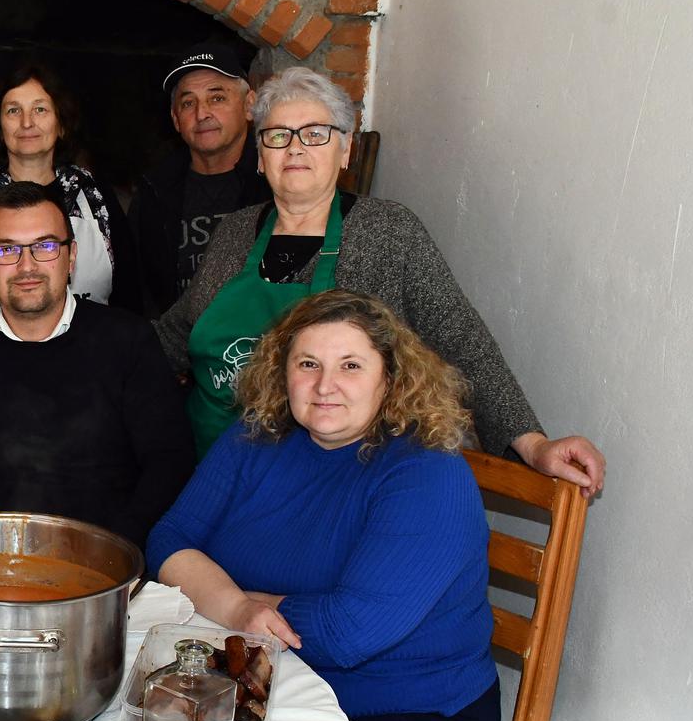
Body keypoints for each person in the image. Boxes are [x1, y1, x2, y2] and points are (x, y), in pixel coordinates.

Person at [156, 66, 606, 494]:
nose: (295, 148)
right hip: (212, 465)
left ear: (345, 149)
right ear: (261, 155)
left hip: (332, 480)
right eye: (277, 136)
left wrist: (531, 442)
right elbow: (180, 330)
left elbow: (461, 340)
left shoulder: (386, 231)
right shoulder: (235, 232)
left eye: (315, 134)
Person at [146, 290, 498, 721]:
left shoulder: (428, 474)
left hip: (402, 713)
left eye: (350, 366)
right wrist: (240, 610)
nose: (325, 385)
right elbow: (169, 540)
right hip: (266, 684)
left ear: (392, 377)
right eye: (307, 363)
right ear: (280, 371)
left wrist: (234, 598)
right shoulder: (256, 437)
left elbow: (346, 633)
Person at [0, 182, 193, 546]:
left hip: (106, 566)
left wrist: (114, 552)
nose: (27, 265)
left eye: (45, 246)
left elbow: (170, 462)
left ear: (72, 256)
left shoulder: (127, 340)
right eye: (6, 250)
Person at [0, 62, 139, 325]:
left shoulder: (93, 193)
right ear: (0, 128)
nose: (27, 123)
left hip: (90, 355)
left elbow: (129, 293)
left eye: (40, 109)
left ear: (61, 125)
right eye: (14, 111)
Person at [127, 45, 270, 316]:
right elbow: (136, 287)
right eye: (188, 103)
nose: (201, 113)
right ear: (176, 119)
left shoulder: (274, 183)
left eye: (217, 98)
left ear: (250, 105)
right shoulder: (154, 192)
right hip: (174, 350)